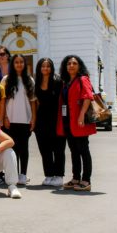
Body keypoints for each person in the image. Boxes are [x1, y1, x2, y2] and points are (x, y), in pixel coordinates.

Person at [57, 55, 96, 192]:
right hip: (68, 121)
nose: (71, 66)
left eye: (74, 63)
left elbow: (87, 97)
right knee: (74, 151)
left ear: (79, 66)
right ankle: (75, 178)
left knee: (83, 150)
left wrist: (81, 115)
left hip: (80, 121)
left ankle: (86, 180)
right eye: (69, 63)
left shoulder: (82, 79)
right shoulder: (66, 82)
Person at [1, 54, 36, 186]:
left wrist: (34, 118)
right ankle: (13, 174)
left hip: (25, 120)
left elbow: (33, 102)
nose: (19, 64)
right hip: (10, 120)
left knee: (24, 149)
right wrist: (4, 117)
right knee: (12, 148)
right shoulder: (6, 79)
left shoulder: (29, 80)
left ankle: (23, 174)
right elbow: (3, 102)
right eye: (16, 62)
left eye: (21, 62)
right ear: (13, 64)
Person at [34, 58, 66, 187]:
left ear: (52, 68)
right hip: (42, 120)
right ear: (39, 68)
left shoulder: (58, 81)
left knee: (58, 149)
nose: (45, 69)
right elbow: (36, 103)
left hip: (57, 119)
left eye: (48, 66)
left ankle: (59, 176)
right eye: (43, 66)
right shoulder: (37, 83)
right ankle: (48, 175)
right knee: (44, 149)